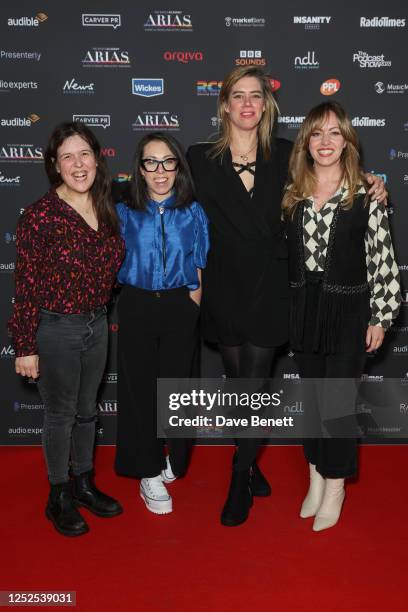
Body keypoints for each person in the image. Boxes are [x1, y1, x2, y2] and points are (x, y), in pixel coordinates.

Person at [187, 65, 388, 527]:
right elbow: (167, 201)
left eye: (256, 96)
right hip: (225, 287)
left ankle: (239, 478)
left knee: (257, 386)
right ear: (225, 104)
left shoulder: (285, 154)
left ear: (267, 104)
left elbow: (332, 178)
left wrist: (376, 183)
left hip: (275, 289)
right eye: (237, 96)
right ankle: (251, 461)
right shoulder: (198, 158)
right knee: (240, 387)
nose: (247, 104)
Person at [282, 101, 401, 531]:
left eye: (335, 133)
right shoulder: (292, 190)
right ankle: (315, 476)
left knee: (337, 404)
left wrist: (382, 316)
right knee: (313, 400)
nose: (326, 142)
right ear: (306, 141)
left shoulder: (366, 193)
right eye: (317, 133)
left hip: (349, 309)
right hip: (303, 308)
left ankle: (335, 485)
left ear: (348, 141)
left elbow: (382, 258)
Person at [8, 122, 125, 537]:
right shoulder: (40, 216)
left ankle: (84, 484)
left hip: (97, 322)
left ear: (97, 159)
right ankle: (58, 495)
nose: (78, 164)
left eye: (84, 154)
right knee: (60, 415)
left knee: (88, 410)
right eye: (67, 157)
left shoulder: (105, 204)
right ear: (55, 166)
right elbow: (25, 285)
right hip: (56, 328)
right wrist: (24, 345)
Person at [114, 132, 209, 515]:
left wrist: (192, 306)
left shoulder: (193, 211)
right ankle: (147, 471)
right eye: (150, 162)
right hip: (136, 304)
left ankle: (176, 456)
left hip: (179, 305)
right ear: (139, 168)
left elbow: (198, 262)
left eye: (167, 161)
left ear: (178, 167)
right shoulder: (123, 210)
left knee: (177, 388)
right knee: (139, 390)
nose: (159, 170)